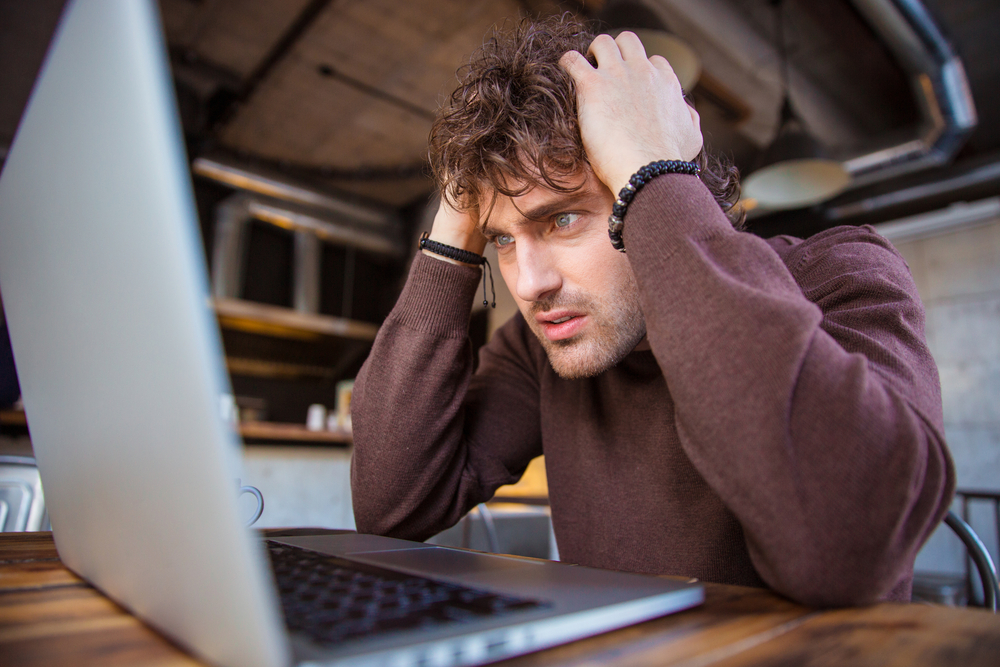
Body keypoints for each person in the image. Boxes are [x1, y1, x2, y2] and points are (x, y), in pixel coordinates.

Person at [350, 16, 954, 607]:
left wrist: (654, 172)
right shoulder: (541, 347)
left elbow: (845, 550)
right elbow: (393, 506)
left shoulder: (841, 272)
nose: (528, 286)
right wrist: (452, 239)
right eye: (502, 240)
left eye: (561, 219)